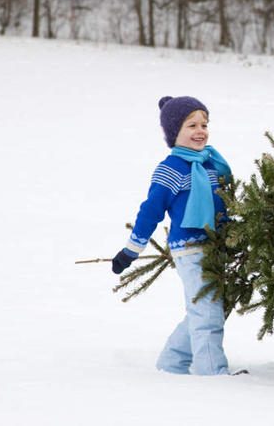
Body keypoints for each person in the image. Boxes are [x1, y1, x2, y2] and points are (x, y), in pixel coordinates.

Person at [111, 96, 232, 376]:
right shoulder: (171, 169)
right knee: (207, 311)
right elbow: (150, 211)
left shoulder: (210, 165)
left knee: (204, 309)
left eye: (204, 124)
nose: (200, 130)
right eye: (192, 125)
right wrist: (130, 251)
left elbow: (222, 204)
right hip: (189, 248)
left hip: (215, 245)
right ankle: (212, 373)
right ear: (174, 132)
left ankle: (172, 363)